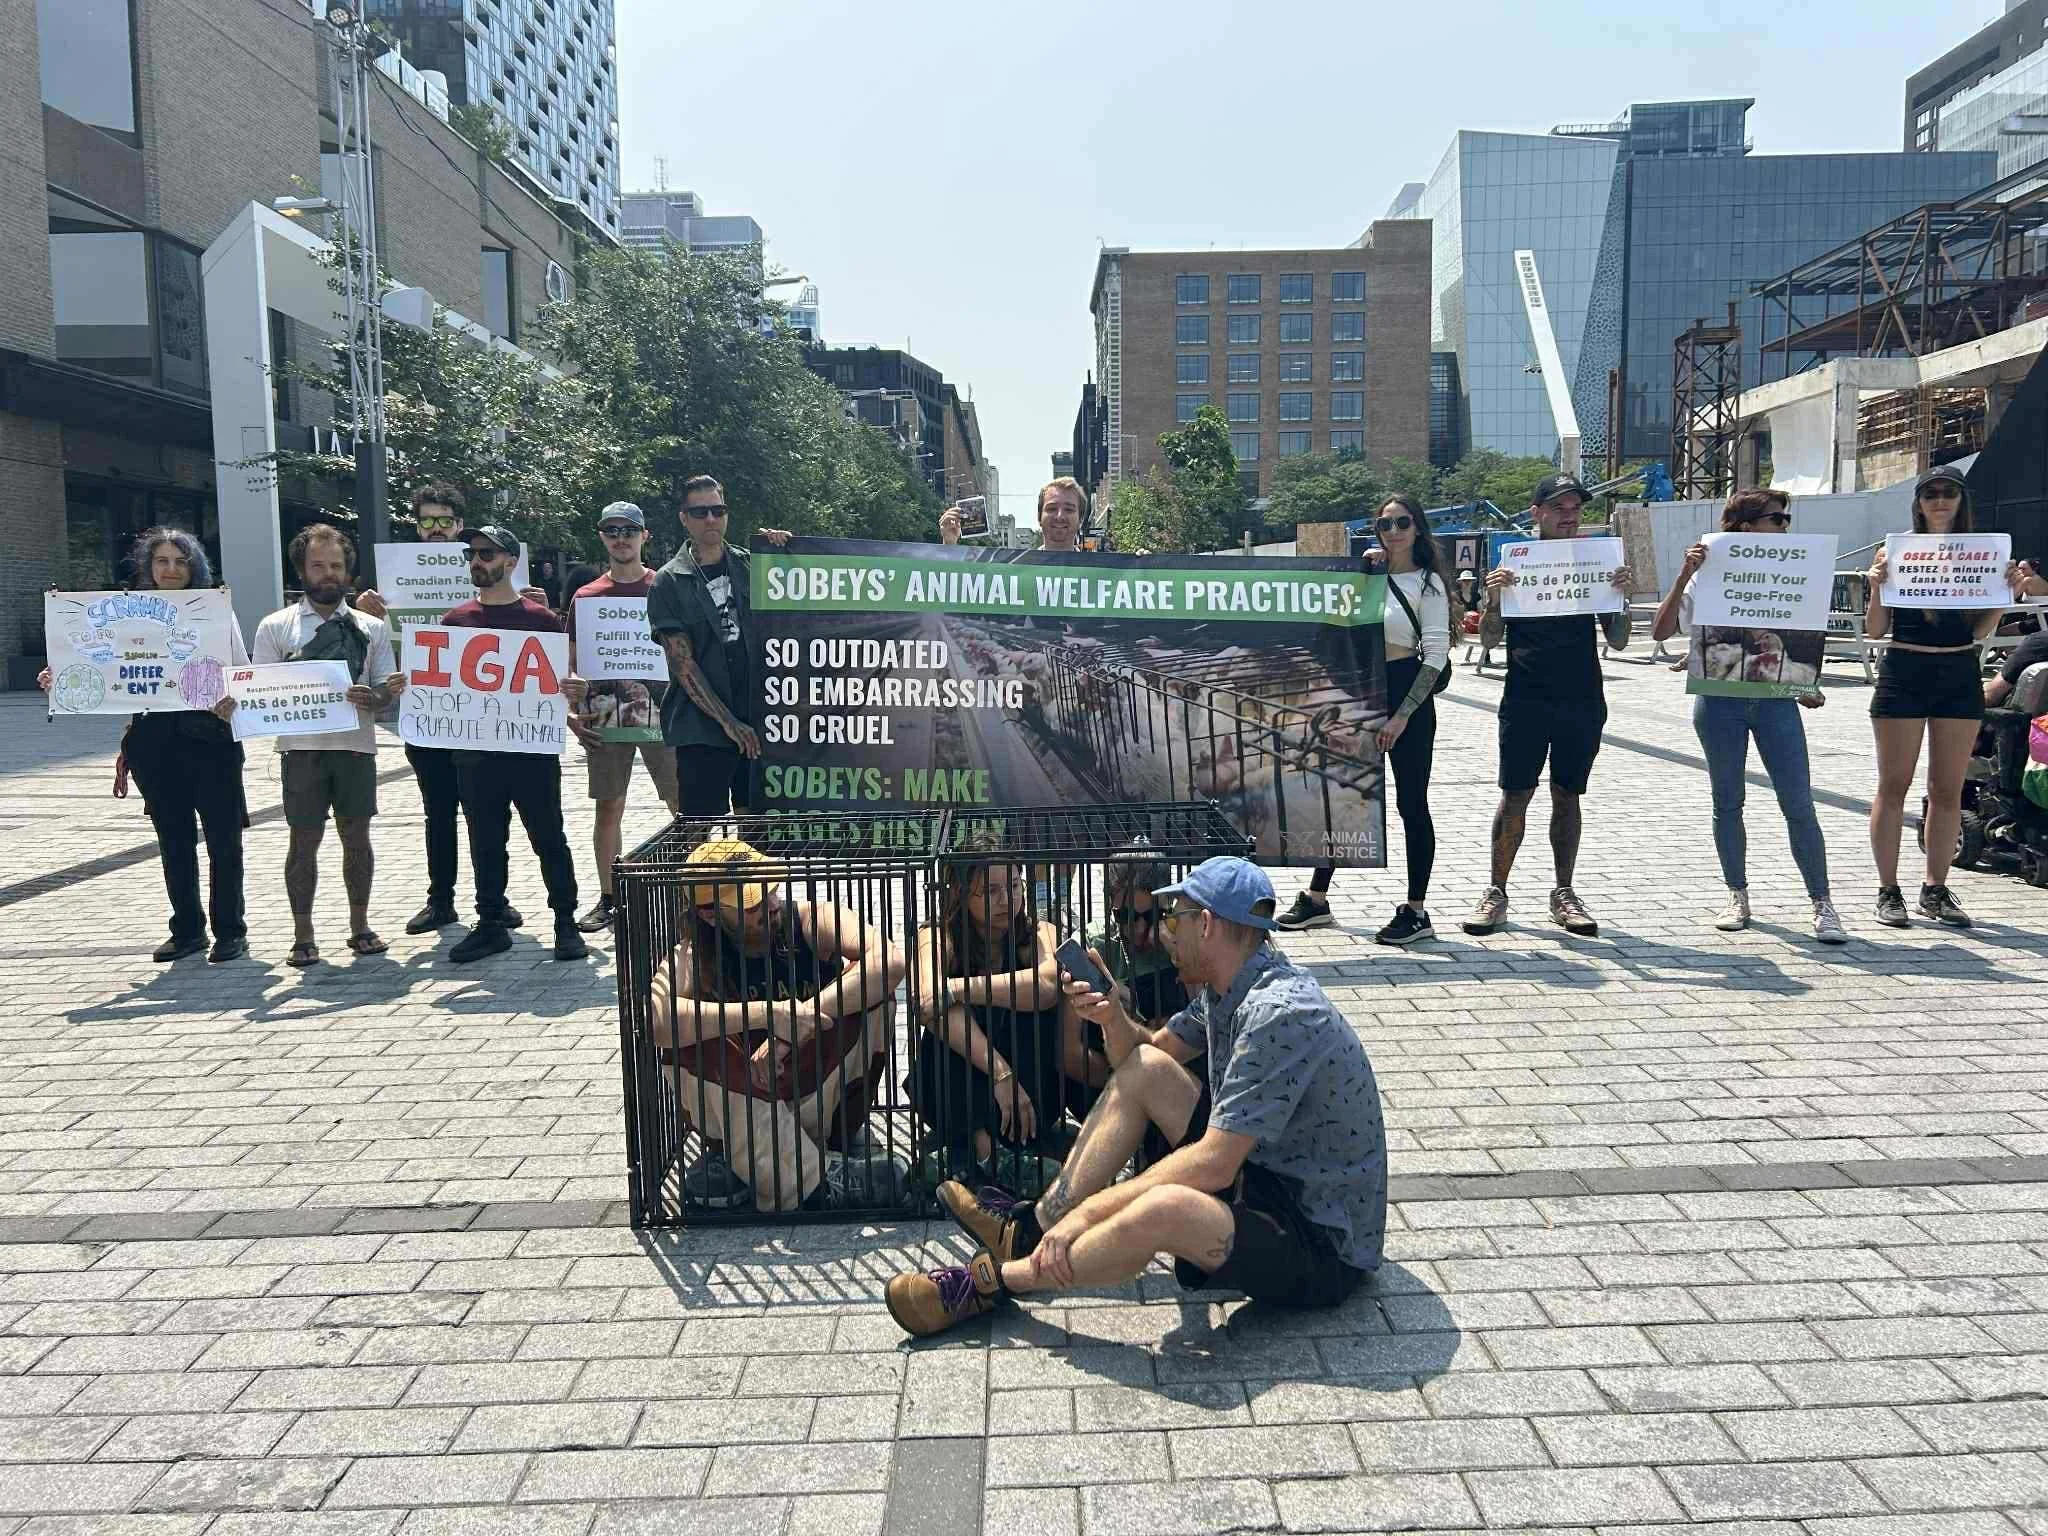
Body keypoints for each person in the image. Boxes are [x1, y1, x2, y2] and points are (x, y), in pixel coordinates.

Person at [885, 857, 1387, 1339]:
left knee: (1166, 1205)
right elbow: (1146, 1054)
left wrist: (1089, 1214)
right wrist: (1109, 1018)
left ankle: (993, 1282)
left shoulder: (1278, 1013)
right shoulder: (1228, 984)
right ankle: (1028, 1230)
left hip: (1319, 1240)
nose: (1164, 930)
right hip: (1265, 1175)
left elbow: (1214, 1163)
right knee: (1147, 1071)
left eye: (1173, 916)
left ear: (1206, 924)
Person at [647, 839, 908, 1210]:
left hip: (814, 1091)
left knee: (871, 992)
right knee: (688, 1037)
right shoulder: (693, 955)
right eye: (752, 901)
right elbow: (656, 1020)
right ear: (709, 914)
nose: (771, 904)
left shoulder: (808, 919)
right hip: (748, 1107)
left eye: (770, 888)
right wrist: (768, 1013)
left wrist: (793, 1025)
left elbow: (890, 961)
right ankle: (815, 1182)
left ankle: (767, 1166)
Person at [40, 529, 249, 962]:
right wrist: (58, 679)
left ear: (195, 567)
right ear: (148, 568)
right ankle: (188, 929)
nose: (171, 569)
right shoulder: (121, 613)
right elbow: (96, 666)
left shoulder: (214, 612)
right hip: (155, 744)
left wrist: (234, 697)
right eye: (162, 561)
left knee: (223, 842)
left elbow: (242, 671)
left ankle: (231, 930)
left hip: (211, 740)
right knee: (173, 841)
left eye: (180, 561)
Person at [1652, 489, 1847, 944]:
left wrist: (1804, 685)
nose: (1784, 526)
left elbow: (1795, 638)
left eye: (1785, 519)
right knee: (1727, 800)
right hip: (1719, 699)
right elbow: (1662, 631)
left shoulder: (1796, 569)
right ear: (1745, 528)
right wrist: (1684, 574)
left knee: (1798, 802)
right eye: (1776, 519)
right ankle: (1737, 895)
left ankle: (1822, 903)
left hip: (1776, 700)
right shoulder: (1708, 573)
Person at [1463, 474, 1631, 939]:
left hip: (1581, 695)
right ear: (1536, 513)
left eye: (1575, 508)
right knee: (1515, 794)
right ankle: (1495, 890)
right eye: (1558, 507)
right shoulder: (1516, 563)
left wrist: (1621, 596)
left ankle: (1564, 892)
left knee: (1567, 794)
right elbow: (1491, 639)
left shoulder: (1596, 561)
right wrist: (1495, 598)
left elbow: (1617, 640)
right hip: (1525, 696)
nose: (1569, 515)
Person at [353, 483, 522, 938]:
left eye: (445, 521)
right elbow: (367, 642)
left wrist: (533, 601)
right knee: (439, 810)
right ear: (416, 526)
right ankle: (440, 900)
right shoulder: (397, 574)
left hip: (483, 709)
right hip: (426, 709)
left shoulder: (486, 562)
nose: (436, 529)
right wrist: (365, 612)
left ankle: (496, 899)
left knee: (489, 810)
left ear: (459, 525)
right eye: (427, 521)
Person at [1279, 494, 1449, 945]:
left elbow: (1435, 656)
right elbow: (1334, 625)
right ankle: (1316, 899)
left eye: (1402, 523)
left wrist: (1401, 717)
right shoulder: (1367, 575)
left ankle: (1416, 910)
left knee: (1412, 803)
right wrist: (1361, 571)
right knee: (1341, 797)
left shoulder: (1428, 584)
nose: (1392, 532)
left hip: (1406, 692)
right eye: (1384, 524)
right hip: (1362, 690)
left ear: (1418, 529)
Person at [1866, 465, 2022, 928]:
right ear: (1918, 502)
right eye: (1930, 493)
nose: (1939, 500)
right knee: (1893, 787)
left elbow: (1978, 631)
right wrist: (1876, 587)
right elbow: (1876, 629)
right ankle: (1887, 890)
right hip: (1903, 669)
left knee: (1947, 790)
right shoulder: (1894, 552)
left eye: (1948, 493)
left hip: (1957, 670)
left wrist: (2004, 592)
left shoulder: (1982, 554)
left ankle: (1935, 888)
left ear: (1960, 500)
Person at [249, 524, 401, 967]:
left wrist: (376, 696)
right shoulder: (276, 627)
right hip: (302, 751)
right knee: (304, 840)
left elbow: (382, 691)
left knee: (357, 837)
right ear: (302, 569)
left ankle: (360, 925)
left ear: (348, 571)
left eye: (336, 565)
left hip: (356, 748)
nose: (328, 573)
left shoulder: (371, 628)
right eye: (318, 565)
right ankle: (303, 932)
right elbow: (262, 694)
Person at [439, 525, 587, 963]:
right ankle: (490, 923)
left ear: (509, 561)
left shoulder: (541, 621)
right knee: (485, 839)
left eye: (486, 553)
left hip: (532, 752)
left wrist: (571, 691)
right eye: (472, 554)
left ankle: (565, 921)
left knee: (548, 836)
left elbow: (559, 683)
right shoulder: (456, 621)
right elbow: (443, 685)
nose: (477, 561)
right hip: (477, 754)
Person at [910, 834, 1080, 1192]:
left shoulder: (1039, 931)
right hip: (960, 1088)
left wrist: (958, 988)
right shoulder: (937, 935)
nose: (1009, 900)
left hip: (1031, 1090)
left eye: (1015, 886)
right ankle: (989, 1153)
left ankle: (967, 1158)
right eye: (990, 892)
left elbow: (1048, 986)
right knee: (945, 1015)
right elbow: (926, 1000)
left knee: (1018, 1002)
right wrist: (1001, 1074)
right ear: (960, 894)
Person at [564, 502, 681, 932]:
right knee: (608, 807)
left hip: (663, 713)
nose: (620, 538)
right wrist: (571, 709)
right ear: (601, 536)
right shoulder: (587, 597)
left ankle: (689, 893)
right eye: (611, 530)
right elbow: (571, 663)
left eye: (629, 531)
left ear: (644, 536)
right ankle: (610, 897)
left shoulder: (664, 586)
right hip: (605, 716)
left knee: (682, 805)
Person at [646, 476, 791, 821]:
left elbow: (801, 609)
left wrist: (784, 551)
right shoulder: (668, 581)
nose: (710, 519)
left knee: (756, 828)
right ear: (684, 518)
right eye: (699, 512)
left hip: (757, 718)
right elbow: (683, 666)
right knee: (699, 829)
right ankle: (700, 879)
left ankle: (751, 879)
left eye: (717, 509)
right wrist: (728, 722)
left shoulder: (754, 565)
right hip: (701, 727)